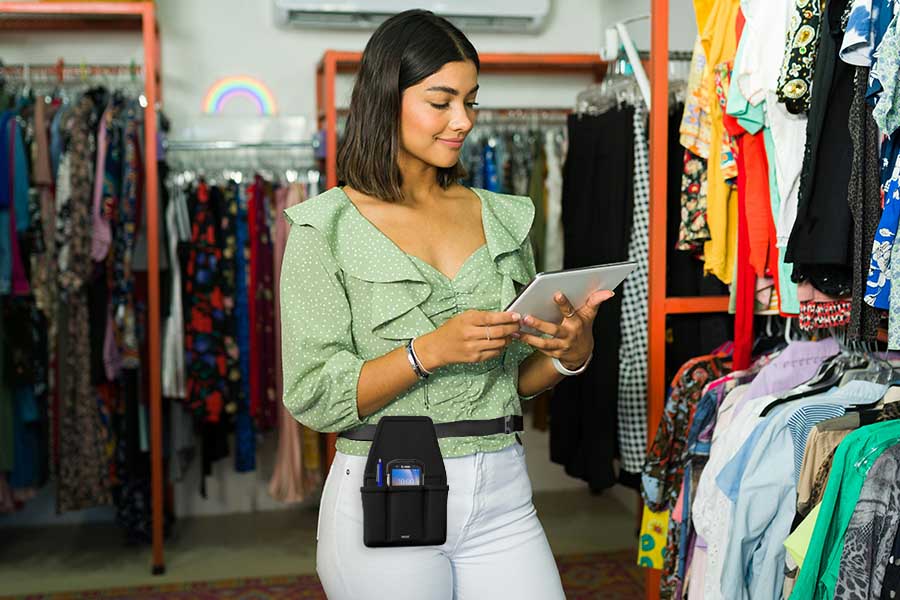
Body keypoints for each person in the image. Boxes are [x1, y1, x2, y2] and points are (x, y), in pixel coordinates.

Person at [279, 10, 614, 599]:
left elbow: (515, 378)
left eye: (471, 100)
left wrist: (570, 353)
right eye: (441, 101)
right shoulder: (324, 228)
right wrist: (426, 351)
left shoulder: (501, 216)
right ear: (387, 99)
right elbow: (314, 395)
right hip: (385, 489)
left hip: (503, 490)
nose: (462, 121)